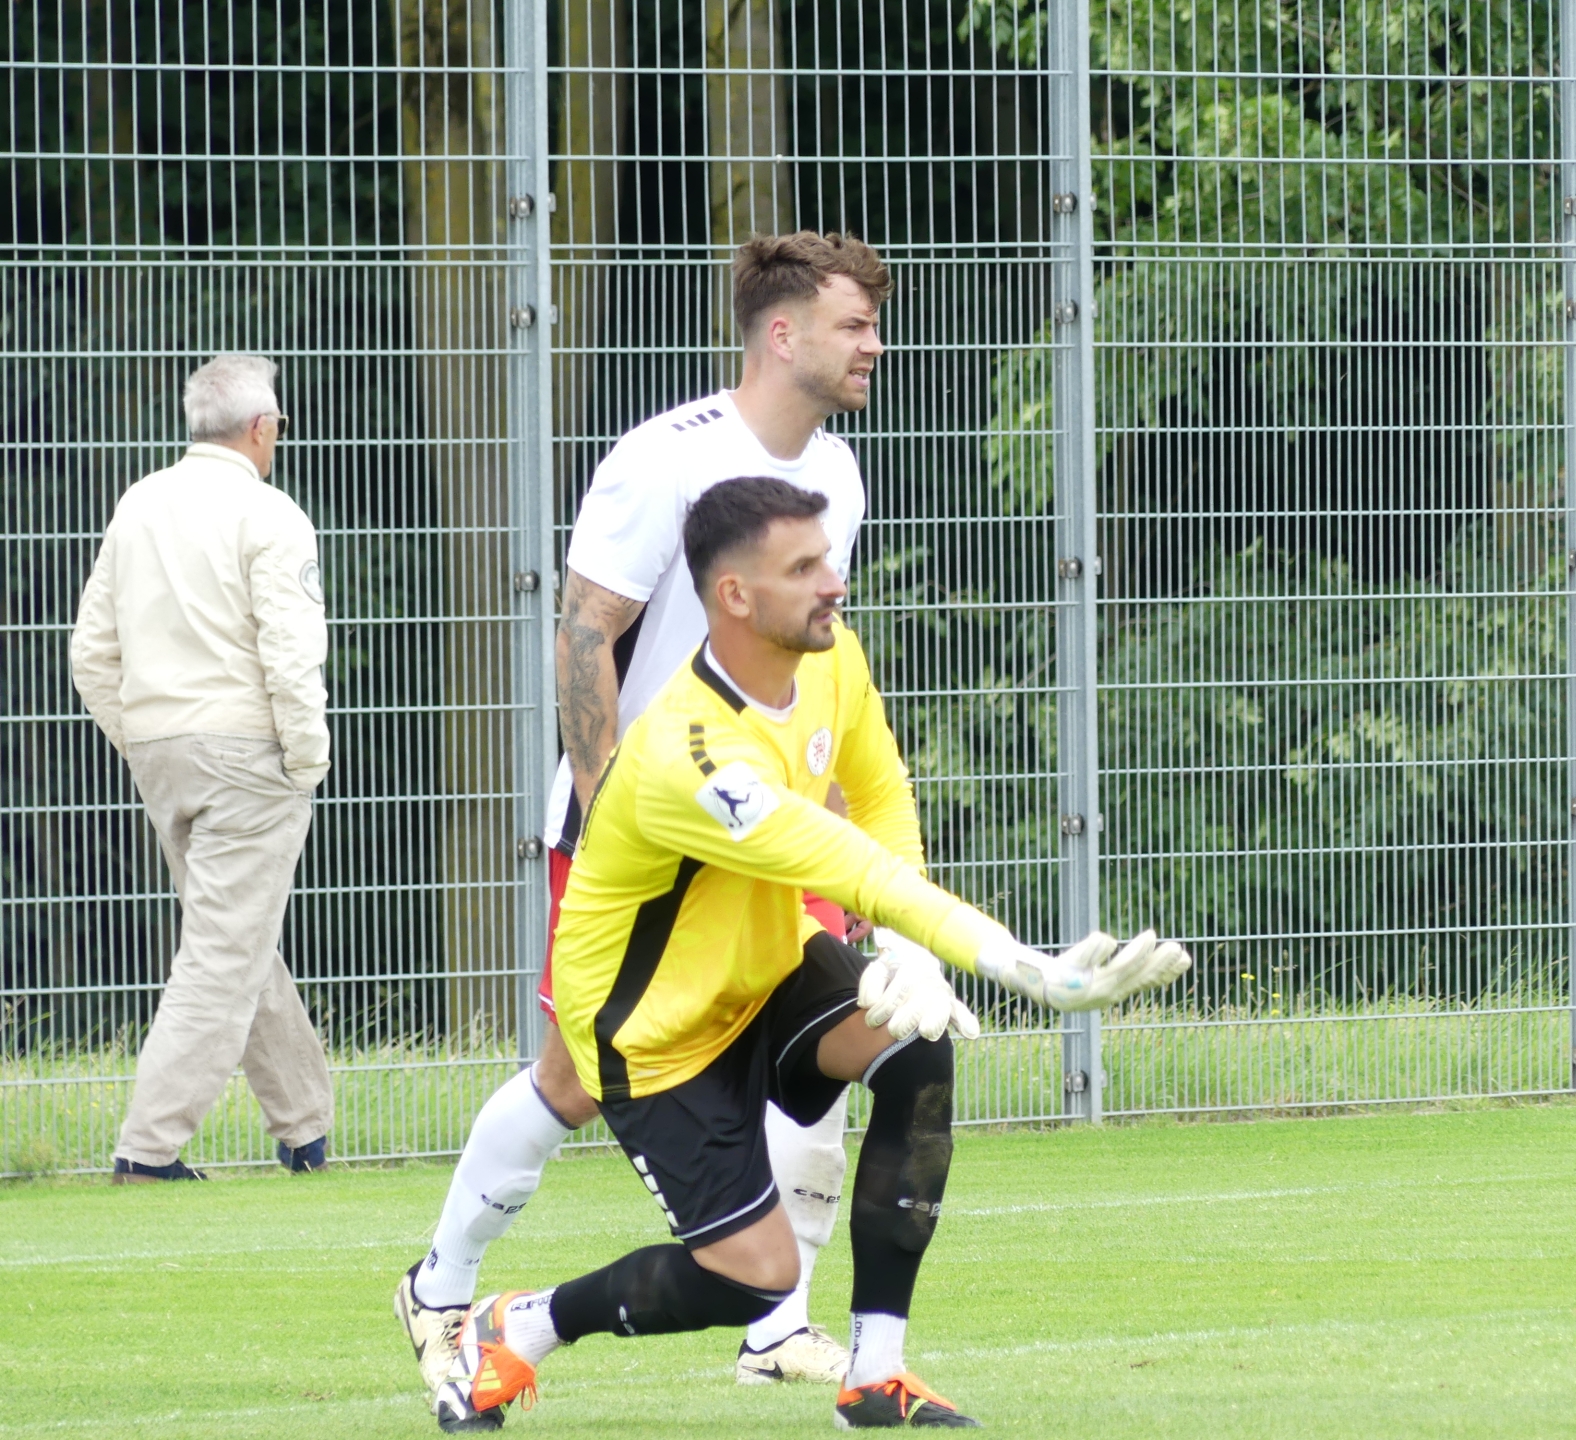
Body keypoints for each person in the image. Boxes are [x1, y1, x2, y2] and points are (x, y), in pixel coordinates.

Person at [431, 478, 1189, 1432]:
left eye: (827, 558)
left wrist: (912, 954)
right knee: (755, 1281)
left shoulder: (835, 661)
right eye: (804, 567)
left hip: (767, 963)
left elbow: (879, 797)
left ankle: (876, 1375)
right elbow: (847, 860)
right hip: (650, 1030)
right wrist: (1024, 967)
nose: (835, 581)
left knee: (914, 1049)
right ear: (735, 596)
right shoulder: (687, 757)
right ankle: (524, 1325)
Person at [396, 231, 900, 1397]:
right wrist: (615, 813)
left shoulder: (841, 476)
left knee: (829, 1044)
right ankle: (440, 1287)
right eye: (854, 324)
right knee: (573, 1080)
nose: (874, 344)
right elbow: (586, 632)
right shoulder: (664, 459)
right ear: (783, 333)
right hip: (647, 840)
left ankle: (778, 1328)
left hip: (768, 831)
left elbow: (810, 664)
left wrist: (834, 825)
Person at [70, 353, 333, 1183]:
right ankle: (147, 1150)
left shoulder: (139, 503)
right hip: (249, 756)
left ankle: (305, 1126)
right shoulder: (272, 515)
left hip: (161, 752)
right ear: (259, 427)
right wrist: (306, 758)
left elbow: (90, 653)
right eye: (278, 423)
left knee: (234, 937)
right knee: (221, 954)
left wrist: (143, 737)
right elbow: (290, 653)